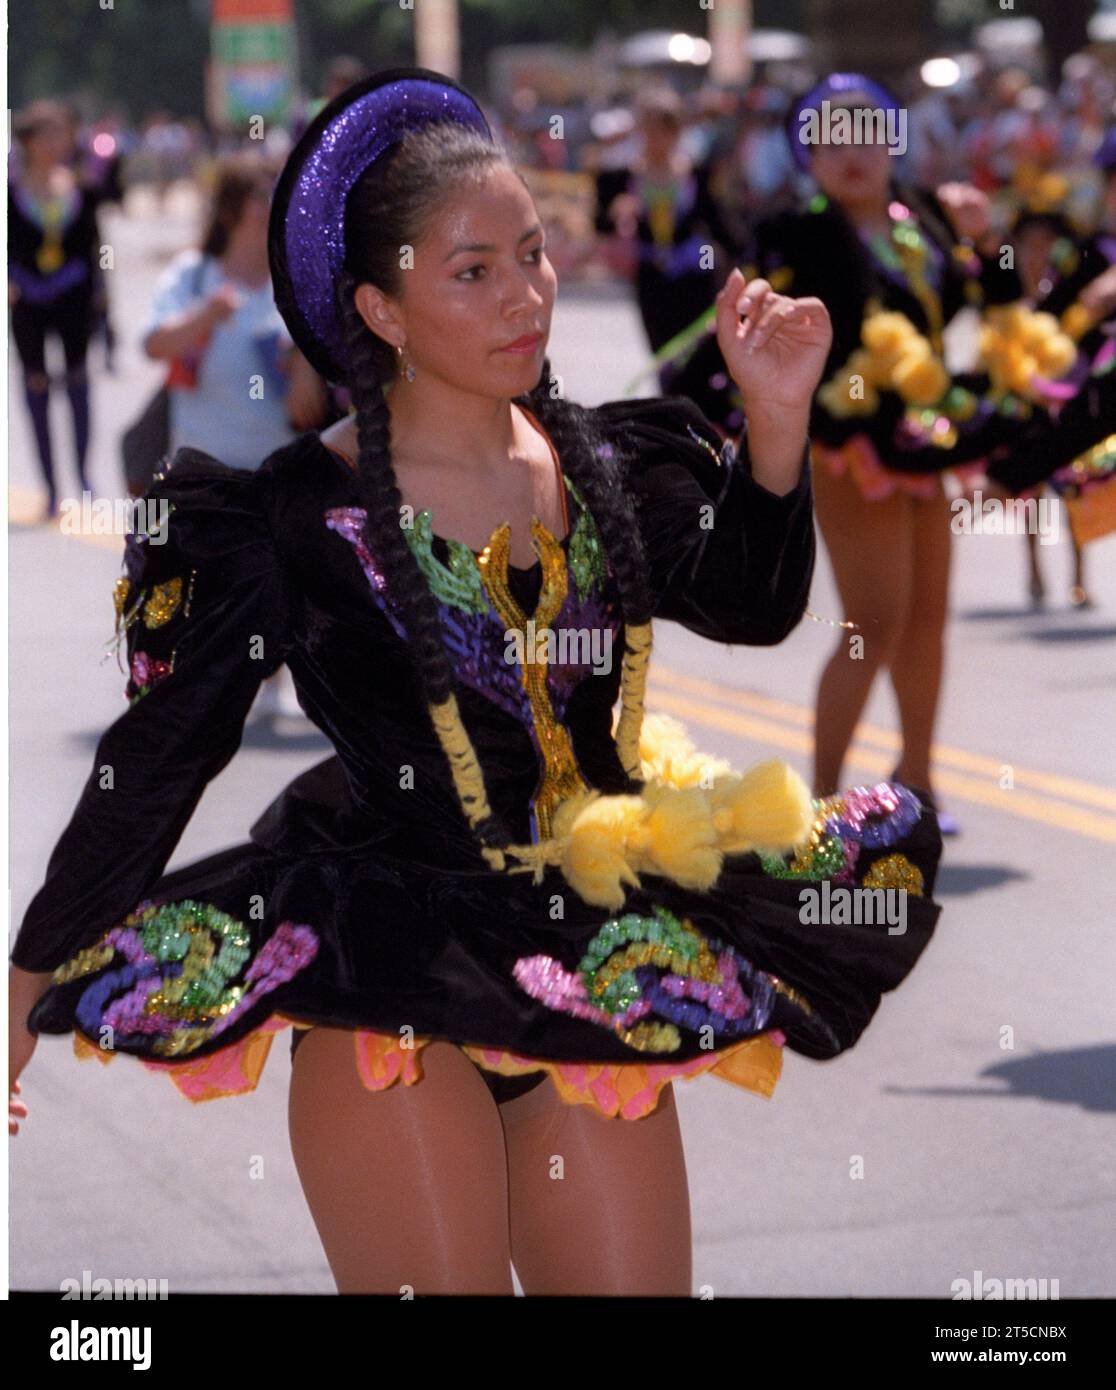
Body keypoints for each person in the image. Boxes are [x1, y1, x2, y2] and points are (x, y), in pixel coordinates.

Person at [9, 70, 943, 1297]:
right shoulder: (295, 515)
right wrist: (28, 980)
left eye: (536, 256)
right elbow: (163, 752)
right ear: (381, 312)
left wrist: (775, 427)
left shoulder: (604, 460)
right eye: (473, 271)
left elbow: (753, 605)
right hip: (385, 979)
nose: (527, 297)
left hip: (588, 965)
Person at [749, 73, 1047, 833]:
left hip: (929, 443)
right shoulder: (796, 233)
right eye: (831, 137)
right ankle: (818, 804)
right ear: (808, 155)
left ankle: (919, 780)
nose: (852, 152)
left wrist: (989, 238)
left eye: (866, 132)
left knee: (925, 623)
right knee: (872, 625)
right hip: (853, 449)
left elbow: (1000, 296)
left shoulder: (925, 220)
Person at [140, 150, 330, 471]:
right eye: (260, 195)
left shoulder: (301, 285)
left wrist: (307, 366)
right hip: (205, 476)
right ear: (229, 210)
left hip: (280, 475)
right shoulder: (193, 275)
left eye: (280, 192)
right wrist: (205, 316)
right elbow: (153, 345)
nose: (273, 204)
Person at [594, 86, 745, 434]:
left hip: (696, 281)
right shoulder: (620, 178)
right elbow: (599, 223)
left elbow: (722, 224)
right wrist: (617, 216)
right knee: (664, 362)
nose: (655, 138)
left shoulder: (697, 174)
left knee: (699, 362)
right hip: (652, 283)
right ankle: (676, 434)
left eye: (664, 129)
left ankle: (708, 433)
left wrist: (747, 266)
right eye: (648, 128)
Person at [8, 99, 119, 519]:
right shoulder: (11, 192)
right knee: (36, 384)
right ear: (29, 142)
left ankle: (83, 476)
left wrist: (103, 291)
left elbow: (97, 249)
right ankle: (51, 486)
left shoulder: (82, 189)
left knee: (77, 383)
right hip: (29, 302)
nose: (58, 143)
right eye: (48, 135)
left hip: (73, 298)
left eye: (62, 134)